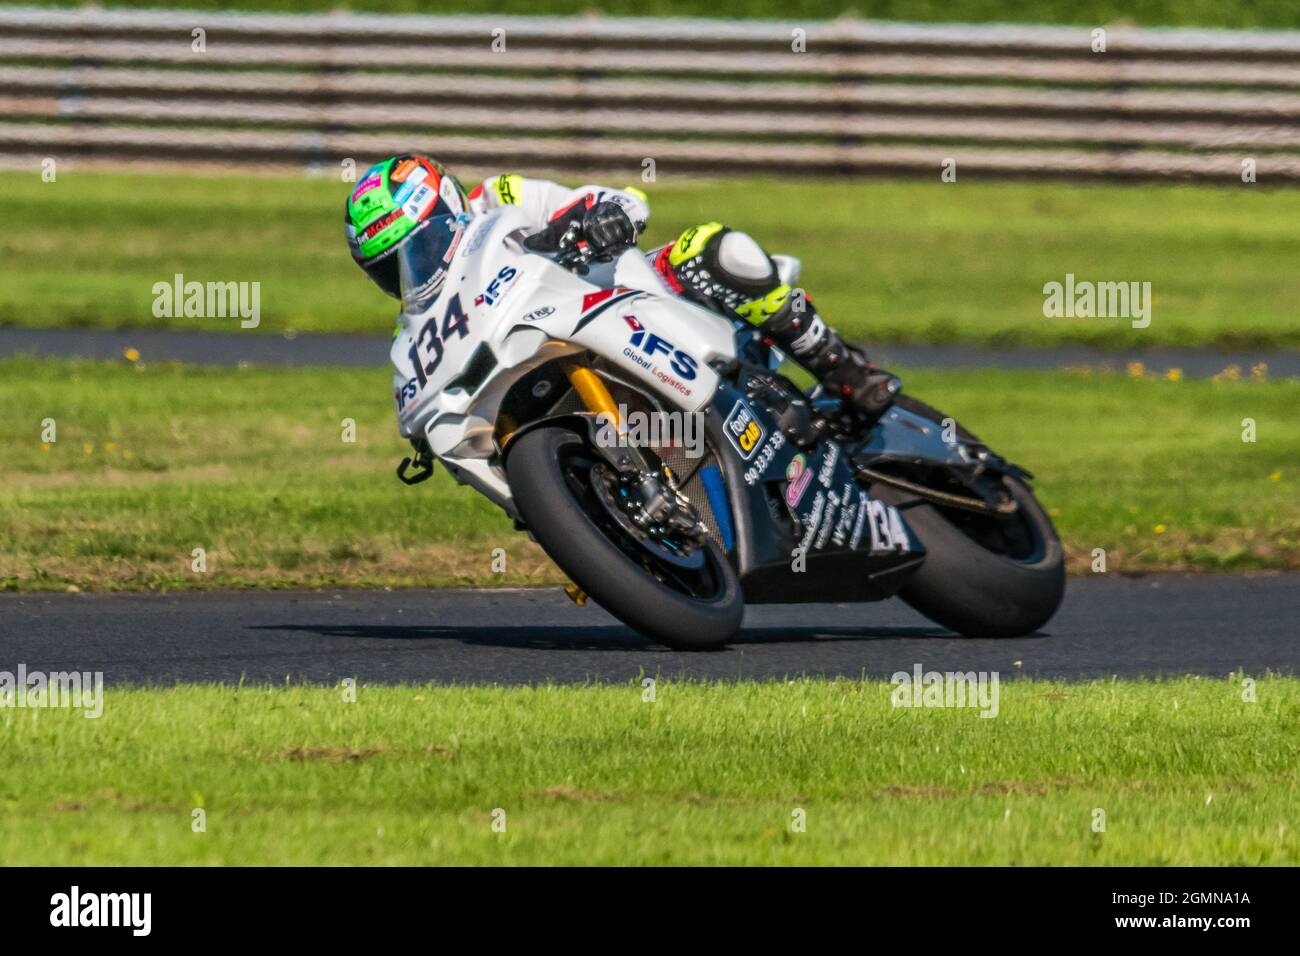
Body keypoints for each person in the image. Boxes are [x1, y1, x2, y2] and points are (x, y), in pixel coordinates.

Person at [344, 154, 899, 424]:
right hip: (557, 355)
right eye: (390, 269)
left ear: (449, 205)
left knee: (715, 250)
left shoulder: (501, 197)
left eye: (420, 245)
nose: (412, 269)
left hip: (637, 296)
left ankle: (842, 368)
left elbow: (616, 198)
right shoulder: (425, 324)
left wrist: (607, 213)